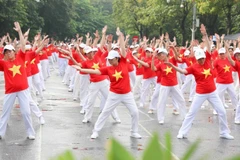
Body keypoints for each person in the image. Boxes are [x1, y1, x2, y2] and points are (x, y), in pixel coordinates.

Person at [165, 24, 234, 140]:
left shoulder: (207, 60)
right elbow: (182, 71)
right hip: (200, 93)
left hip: (213, 92)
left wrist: (205, 34)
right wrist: (172, 66)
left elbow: (207, 45)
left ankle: (224, 132)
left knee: (222, 111)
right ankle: (183, 132)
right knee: (191, 113)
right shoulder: (194, 67)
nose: (202, 60)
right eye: (200, 59)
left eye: (202, 58)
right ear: (197, 59)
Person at [72, 28, 141, 139]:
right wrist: (82, 70)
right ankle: (96, 131)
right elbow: (95, 71)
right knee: (105, 113)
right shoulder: (108, 68)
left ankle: (134, 132)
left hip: (127, 94)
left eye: (111, 59)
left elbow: (123, 49)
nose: (109, 61)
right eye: (108, 59)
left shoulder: (122, 62)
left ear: (117, 59)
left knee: (135, 112)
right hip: (114, 94)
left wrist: (121, 36)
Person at [0, 22, 35, 140]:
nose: (8, 53)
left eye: (10, 51)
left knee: (26, 112)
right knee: (5, 113)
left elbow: (23, 45)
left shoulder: (20, 56)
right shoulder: (4, 63)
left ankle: (31, 133)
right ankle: (1, 133)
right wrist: (1, 44)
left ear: (14, 51)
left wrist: (20, 32)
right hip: (10, 91)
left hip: (23, 90)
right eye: (6, 52)